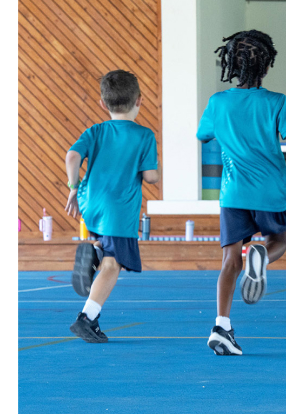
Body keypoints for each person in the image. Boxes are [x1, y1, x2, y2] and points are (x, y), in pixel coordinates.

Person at [197, 30, 286, 356]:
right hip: (269, 191)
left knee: (229, 261)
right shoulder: (277, 102)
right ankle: (260, 254)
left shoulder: (217, 102)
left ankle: (222, 325)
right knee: (277, 242)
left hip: (233, 193)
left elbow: (203, 135)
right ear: (265, 66)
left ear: (231, 65)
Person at [64, 70, 159, 343]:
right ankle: (87, 318)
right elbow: (151, 177)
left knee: (105, 250)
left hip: (91, 202)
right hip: (119, 210)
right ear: (139, 100)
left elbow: (72, 156)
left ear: (103, 104)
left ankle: (93, 250)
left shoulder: (95, 131)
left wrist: (73, 188)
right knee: (112, 265)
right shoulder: (144, 135)